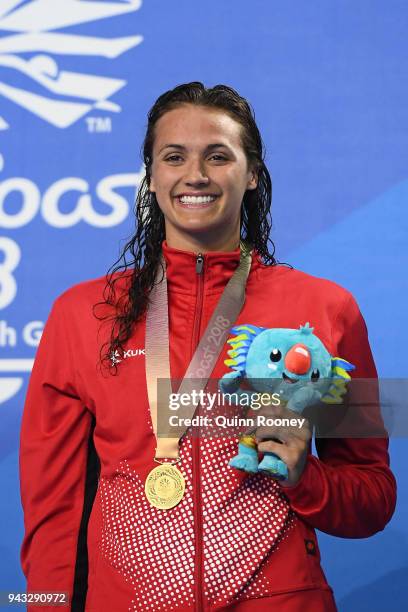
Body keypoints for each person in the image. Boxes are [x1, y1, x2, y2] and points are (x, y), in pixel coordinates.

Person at [20, 82, 396, 611]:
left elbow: (374, 499)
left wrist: (304, 479)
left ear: (253, 174)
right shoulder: (81, 315)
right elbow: (53, 511)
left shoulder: (327, 310)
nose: (195, 174)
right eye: (174, 156)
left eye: (218, 156)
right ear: (151, 177)